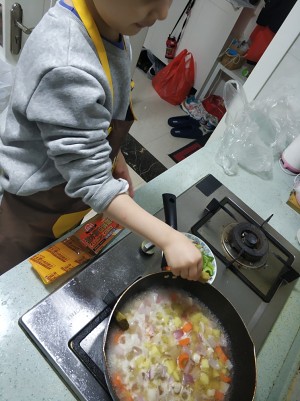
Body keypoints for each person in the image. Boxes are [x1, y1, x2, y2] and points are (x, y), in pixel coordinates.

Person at [0, 0, 202, 279]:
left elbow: (97, 116)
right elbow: (92, 182)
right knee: (14, 284)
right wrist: (169, 238)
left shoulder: (111, 28)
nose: (163, 14)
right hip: (33, 210)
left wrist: (115, 157)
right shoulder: (68, 64)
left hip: (64, 195)